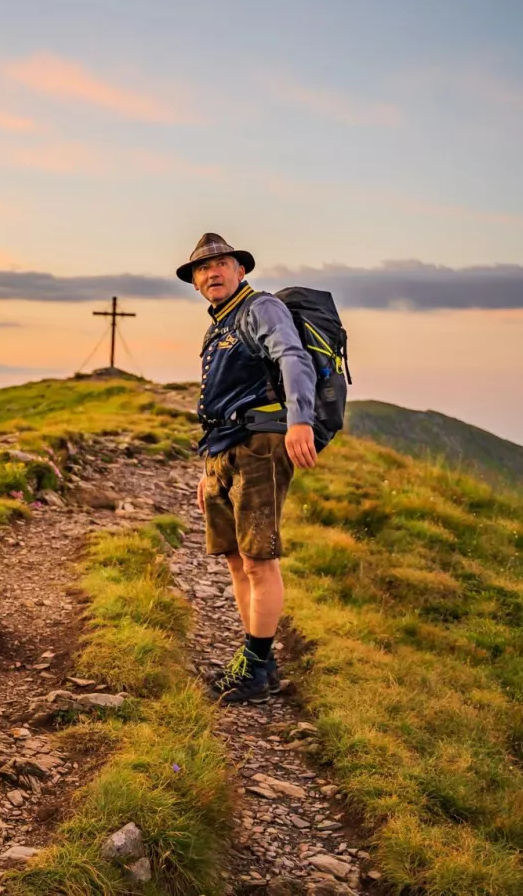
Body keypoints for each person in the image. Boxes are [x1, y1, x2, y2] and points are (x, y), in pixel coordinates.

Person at [179, 232, 319, 704]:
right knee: (237, 559)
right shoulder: (218, 325)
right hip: (224, 450)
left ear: (241, 270)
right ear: (196, 283)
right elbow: (216, 401)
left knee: (259, 559)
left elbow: (292, 356)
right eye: (202, 269)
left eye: (221, 264)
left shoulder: (260, 308)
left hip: (261, 445)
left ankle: (257, 667)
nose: (211, 273)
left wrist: (300, 419)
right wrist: (208, 469)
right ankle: (258, 661)